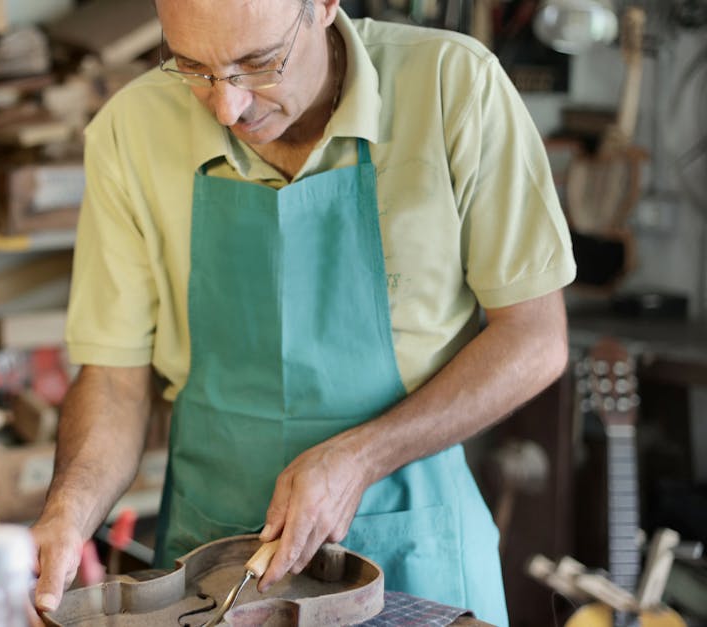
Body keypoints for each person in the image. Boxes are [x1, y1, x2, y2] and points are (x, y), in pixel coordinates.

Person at [30, 0, 575, 623]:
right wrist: (70, 510)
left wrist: (361, 457)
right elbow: (115, 378)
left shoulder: (454, 86)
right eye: (193, 67)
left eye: (257, 64)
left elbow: (534, 337)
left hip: (413, 541)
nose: (227, 106)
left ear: (322, 7)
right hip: (214, 564)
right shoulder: (130, 130)